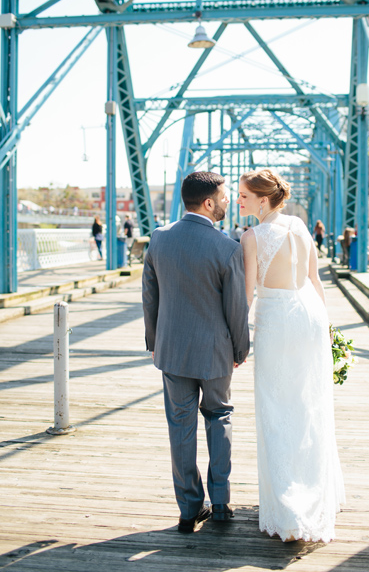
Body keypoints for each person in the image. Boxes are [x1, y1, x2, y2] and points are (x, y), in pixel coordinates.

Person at [238, 168, 345, 542]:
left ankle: (289, 510)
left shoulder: (251, 237)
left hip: (277, 322)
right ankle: (316, 496)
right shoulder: (299, 225)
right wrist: (328, 328)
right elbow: (315, 280)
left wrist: (238, 338)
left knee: (276, 411)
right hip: (311, 317)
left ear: (263, 200)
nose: (239, 201)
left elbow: (248, 293)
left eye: (245, 196)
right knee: (309, 407)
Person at [142, 171, 250, 534]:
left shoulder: (158, 239)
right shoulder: (227, 247)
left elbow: (150, 297)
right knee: (219, 417)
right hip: (216, 352)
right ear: (208, 202)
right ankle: (220, 503)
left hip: (172, 351)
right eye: (222, 197)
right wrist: (240, 347)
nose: (226, 202)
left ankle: (189, 509)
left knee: (180, 427)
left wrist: (156, 343)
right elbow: (237, 308)